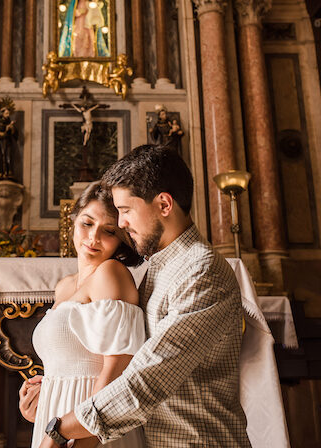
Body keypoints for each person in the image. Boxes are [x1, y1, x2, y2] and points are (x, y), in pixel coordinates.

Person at [36, 145, 251, 448]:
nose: (121, 223)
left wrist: (60, 428)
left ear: (164, 204)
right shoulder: (161, 265)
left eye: (125, 211)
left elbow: (148, 380)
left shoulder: (202, 272)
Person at [19, 182, 146, 448]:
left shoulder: (111, 273)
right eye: (87, 223)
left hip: (91, 433)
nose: (93, 237)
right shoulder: (64, 286)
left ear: (122, 239)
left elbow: (117, 372)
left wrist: (82, 440)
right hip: (56, 424)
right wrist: (37, 404)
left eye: (109, 231)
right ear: (73, 222)